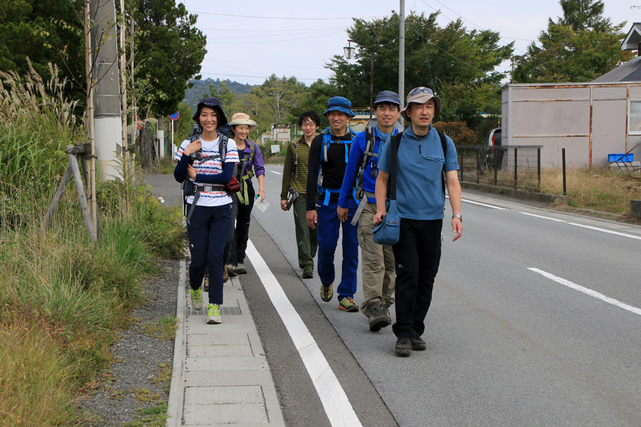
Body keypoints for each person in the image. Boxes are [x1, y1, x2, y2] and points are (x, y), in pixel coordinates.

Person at [374, 87, 463, 357]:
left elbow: (453, 181)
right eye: (418, 107)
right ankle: (403, 333)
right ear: (409, 112)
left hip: (432, 220)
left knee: (426, 278)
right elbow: (382, 179)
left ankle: (416, 330)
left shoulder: (445, 143)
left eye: (429, 106)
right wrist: (380, 209)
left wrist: (457, 214)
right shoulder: (396, 142)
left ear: (434, 111)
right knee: (408, 275)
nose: (424, 111)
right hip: (403, 219)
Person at [338, 91, 401, 331]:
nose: (387, 113)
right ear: (375, 111)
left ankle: (384, 302)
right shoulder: (362, 139)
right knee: (374, 260)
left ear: (398, 113)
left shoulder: (404, 139)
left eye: (392, 108)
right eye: (382, 108)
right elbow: (350, 172)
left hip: (395, 210)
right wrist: (343, 203)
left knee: (392, 263)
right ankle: (374, 306)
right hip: (369, 206)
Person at [174, 97, 239, 324]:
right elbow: (178, 176)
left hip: (221, 206)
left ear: (219, 118)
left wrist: (198, 176)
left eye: (213, 115)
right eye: (204, 115)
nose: (209, 119)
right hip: (196, 207)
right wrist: (186, 154)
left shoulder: (227, 144)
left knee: (215, 257)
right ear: (198, 118)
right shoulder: (188, 143)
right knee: (198, 260)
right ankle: (194, 288)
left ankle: (215, 306)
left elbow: (225, 177)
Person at [306, 97, 359, 312]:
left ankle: (346, 294)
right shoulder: (320, 141)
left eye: (341, 114)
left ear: (348, 117)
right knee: (326, 246)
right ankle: (327, 280)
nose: (336, 117)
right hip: (327, 202)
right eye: (332, 114)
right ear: (328, 116)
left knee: (351, 249)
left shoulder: (358, 139)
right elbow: (311, 176)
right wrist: (310, 207)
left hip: (353, 202)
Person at [280, 111, 321, 279]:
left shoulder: (324, 143)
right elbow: (288, 171)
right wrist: (284, 196)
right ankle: (307, 263)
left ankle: (310, 254)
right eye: (305, 124)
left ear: (317, 126)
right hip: (300, 194)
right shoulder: (294, 145)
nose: (308, 127)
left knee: (316, 231)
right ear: (301, 127)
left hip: (321, 193)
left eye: (311, 124)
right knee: (302, 229)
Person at [225, 112, 265, 277]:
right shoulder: (226, 145)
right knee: (229, 226)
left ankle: (239, 261)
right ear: (234, 128)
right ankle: (229, 261)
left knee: (244, 225)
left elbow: (260, 169)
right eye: (241, 127)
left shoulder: (253, 147)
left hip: (247, 189)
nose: (244, 131)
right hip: (229, 189)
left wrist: (261, 189)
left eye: (246, 128)